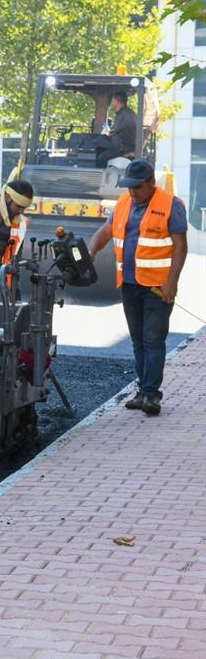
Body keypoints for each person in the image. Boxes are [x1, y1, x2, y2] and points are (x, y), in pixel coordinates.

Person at [87, 160, 187, 416]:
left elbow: (180, 245)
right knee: (138, 342)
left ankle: (152, 396)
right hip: (129, 284)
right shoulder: (123, 203)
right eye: (129, 187)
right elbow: (107, 230)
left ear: (152, 183)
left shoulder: (171, 205)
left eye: (137, 187)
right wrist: (91, 251)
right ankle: (142, 391)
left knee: (153, 341)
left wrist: (171, 283)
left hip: (157, 287)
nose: (132, 192)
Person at [97, 90, 139, 166]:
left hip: (124, 147)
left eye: (112, 99)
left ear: (117, 100)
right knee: (98, 146)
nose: (111, 101)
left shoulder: (126, 114)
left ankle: (99, 176)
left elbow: (114, 131)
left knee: (102, 156)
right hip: (119, 144)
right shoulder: (122, 113)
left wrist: (109, 132)